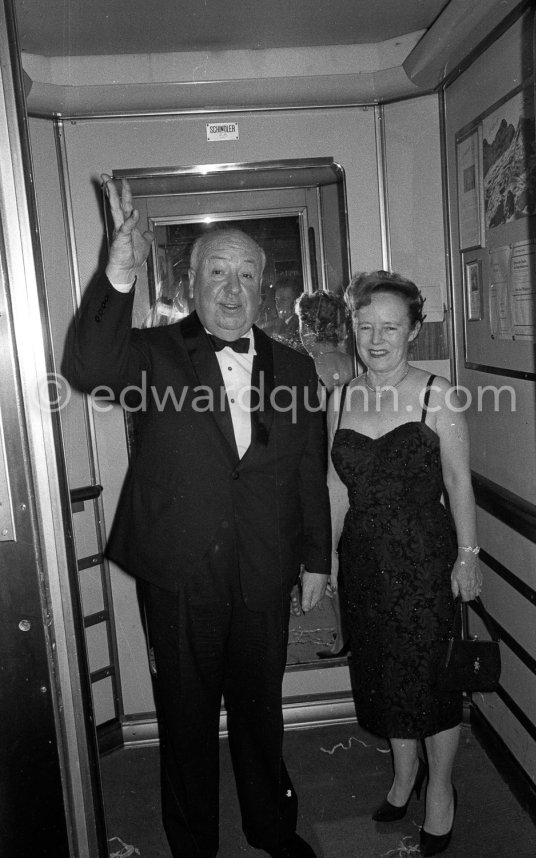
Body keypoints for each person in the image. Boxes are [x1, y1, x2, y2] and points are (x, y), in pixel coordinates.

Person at [72, 176, 331, 858]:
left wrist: (317, 560)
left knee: (261, 715)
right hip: (181, 575)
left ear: (265, 289)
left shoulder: (298, 370)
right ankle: (193, 844)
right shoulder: (154, 355)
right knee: (185, 722)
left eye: (248, 273)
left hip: (265, 572)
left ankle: (271, 828)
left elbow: (308, 469)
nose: (232, 286)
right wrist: (119, 271)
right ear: (190, 282)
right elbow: (89, 364)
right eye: (217, 270)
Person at [328, 270, 482, 857]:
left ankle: (439, 790)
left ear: (413, 330)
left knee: (431, 679)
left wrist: (468, 555)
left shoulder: (436, 393)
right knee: (384, 675)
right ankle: (402, 777)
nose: (376, 337)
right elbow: (333, 486)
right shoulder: (339, 396)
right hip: (363, 559)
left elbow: (457, 481)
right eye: (365, 325)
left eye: (390, 326)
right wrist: (322, 564)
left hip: (425, 558)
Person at [296, 291, 354, 656]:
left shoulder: (307, 370)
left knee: (326, 557)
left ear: (308, 326)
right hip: (351, 471)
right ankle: (347, 636)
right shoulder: (355, 365)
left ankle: (335, 635)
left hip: (319, 474)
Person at [271, 277, 302, 349]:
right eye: (276, 300)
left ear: (295, 302)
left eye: (283, 300)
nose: (278, 304)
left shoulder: (300, 327)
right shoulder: (278, 324)